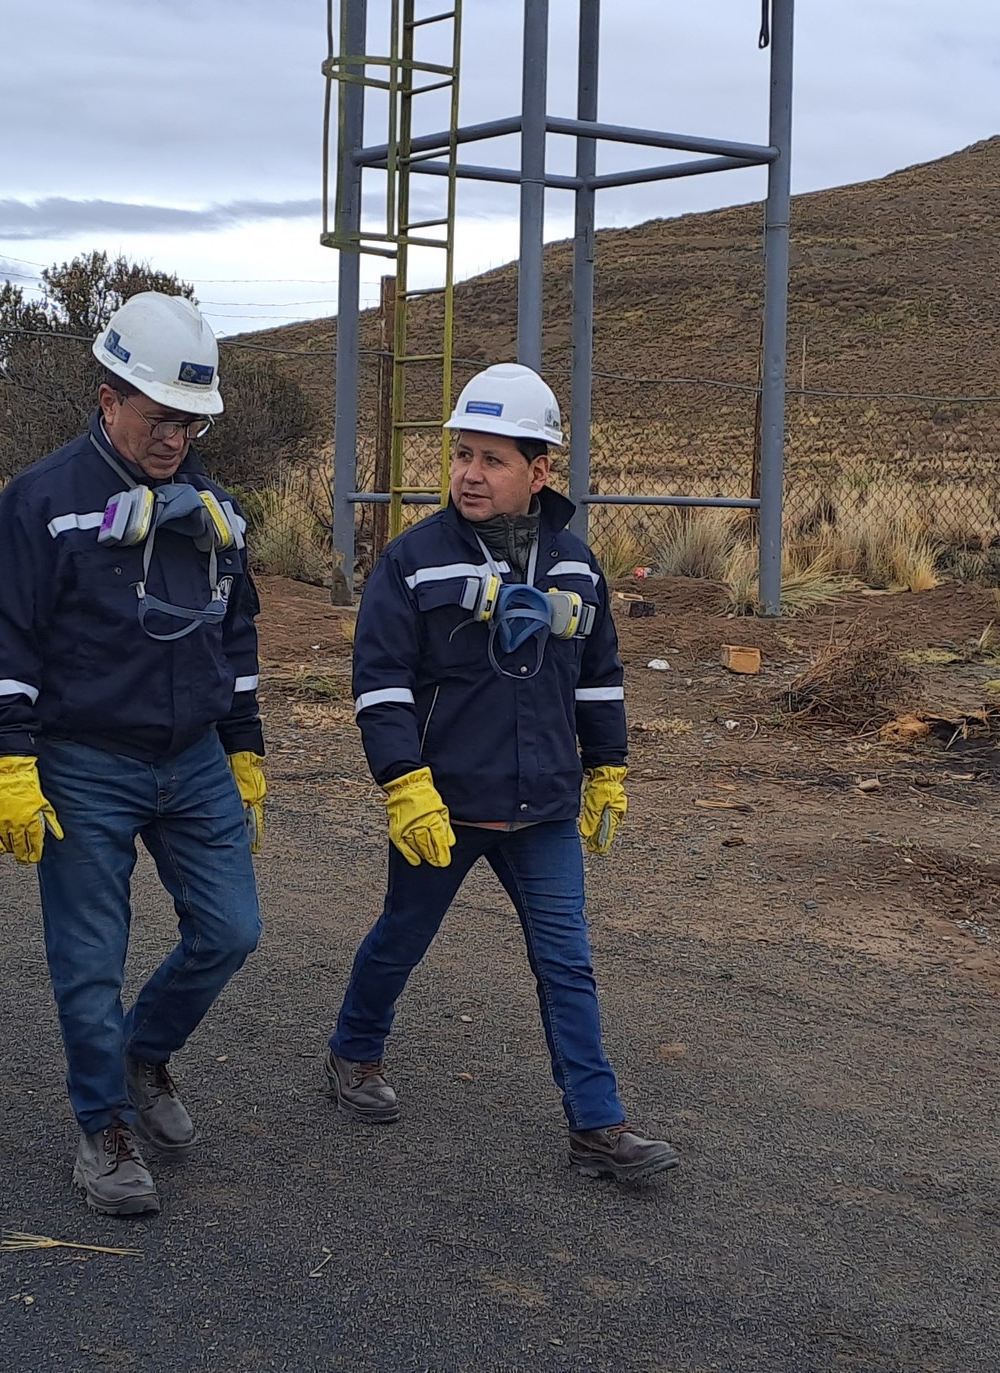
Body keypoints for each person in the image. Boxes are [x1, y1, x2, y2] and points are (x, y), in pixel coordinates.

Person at [323, 362, 678, 1183]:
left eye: (491, 459)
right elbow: (378, 683)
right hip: (443, 805)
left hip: (544, 805)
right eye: (461, 456)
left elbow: (598, 677)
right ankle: (353, 1051)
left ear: (539, 469)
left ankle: (597, 1125)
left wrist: (608, 769)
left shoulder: (575, 566)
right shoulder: (413, 561)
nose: (469, 475)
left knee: (566, 961)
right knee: (400, 939)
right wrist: (403, 783)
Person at [0, 291, 267, 1218]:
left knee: (231, 930)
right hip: (82, 761)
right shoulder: (42, 503)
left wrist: (243, 749)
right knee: (91, 955)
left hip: (195, 756)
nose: (176, 437)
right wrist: (6, 763)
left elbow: (236, 634)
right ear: (107, 396)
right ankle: (103, 1124)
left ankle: (142, 1052)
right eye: (160, 416)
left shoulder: (212, 509)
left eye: (192, 421)